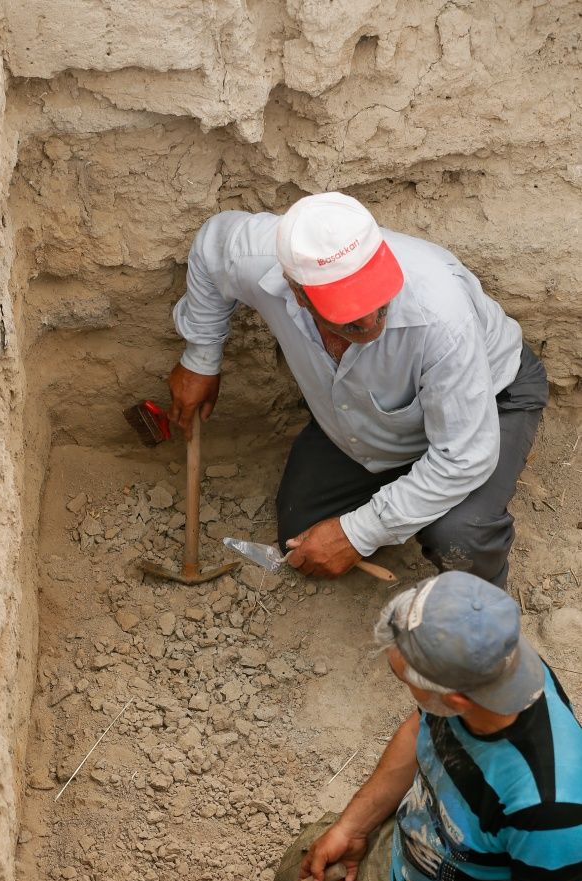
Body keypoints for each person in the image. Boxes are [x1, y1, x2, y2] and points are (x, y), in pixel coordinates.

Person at [169, 193, 548, 587]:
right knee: (302, 536)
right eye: (348, 316)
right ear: (298, 292)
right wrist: (200, 358)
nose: (371, 322)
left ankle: (481, 615)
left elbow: (464, 456)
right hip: (372, 416)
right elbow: (211, 245)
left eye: (381, 303)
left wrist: (357, 532)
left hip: (493, 398)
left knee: (460, 536)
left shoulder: (440, 313)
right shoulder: (257, 258)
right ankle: (409, 488)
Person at [271, 572, 582, 881]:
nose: (400, 681)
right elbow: (423, 726)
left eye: (404, 676)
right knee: (291, 879)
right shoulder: (495, 668)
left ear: (455, 698)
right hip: (407, 864)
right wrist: (353, 826)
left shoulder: (549, 808)